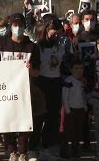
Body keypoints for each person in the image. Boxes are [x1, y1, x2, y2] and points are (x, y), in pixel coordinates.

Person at [0, 13, 43, 161]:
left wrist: (29, 70)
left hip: (25, 91)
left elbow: (37, 73)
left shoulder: (32, 47)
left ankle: (23, 152)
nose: (18, 28)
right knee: (8, 120)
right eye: (15, 25)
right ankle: (11, 151)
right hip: (5, 91)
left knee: (24, 122)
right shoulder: (1, 45)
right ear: (10, 27)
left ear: (24, 27)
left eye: (21, 25)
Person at [33, 18, 65, 159]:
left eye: (58, 33)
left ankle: (47, 146)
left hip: (55, 82)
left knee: (53, 116)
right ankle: (33, 146)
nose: (56, 35)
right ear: (46, 29)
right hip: (41, 82)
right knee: (39, 116)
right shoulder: (37, 47)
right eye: (54, 32)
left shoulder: (59, 46)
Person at [60, 60, 87, 159]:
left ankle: (76, 152)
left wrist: (85, 107)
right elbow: (64, 96)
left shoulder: (83, 81)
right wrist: (67, 110)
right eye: (76, 68)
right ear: (71, 69)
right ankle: (65, 152)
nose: (79, 71)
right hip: (70, 110)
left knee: (78, 132)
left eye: (81, 68)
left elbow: (83, 95)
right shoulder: (68, 81)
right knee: (67, 132)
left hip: (80, 110)